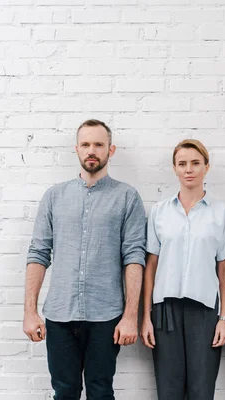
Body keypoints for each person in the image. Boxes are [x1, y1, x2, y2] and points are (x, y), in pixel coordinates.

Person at [23, 119, 146, 400]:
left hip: (106, 317)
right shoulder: (54, 196)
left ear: (110, 150)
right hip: (60, 315)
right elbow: (38, 253)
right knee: (64, 392)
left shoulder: (127, 197)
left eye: (99, 144)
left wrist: (130, 316)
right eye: (86, 144)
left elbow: (134, 257)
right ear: (76, 149)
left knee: (101, 392)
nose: (92, 150)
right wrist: (30, 311)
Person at [140, 139, 225, 400]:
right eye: (182, 164)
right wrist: (146, 317)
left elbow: (224, 270)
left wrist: (223, 319)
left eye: (195, 163)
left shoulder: (221, 213)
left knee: (201, 391)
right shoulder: (159, 212)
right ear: (174, 169)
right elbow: (151, 267)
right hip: (165, 310)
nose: (188, 169)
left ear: (206, 167)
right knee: (168, 392)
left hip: (204, 310)